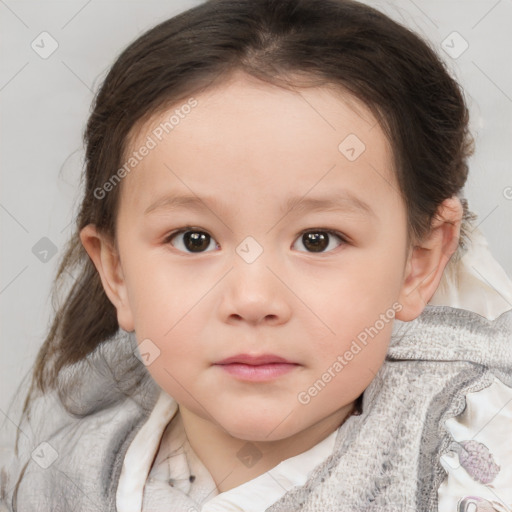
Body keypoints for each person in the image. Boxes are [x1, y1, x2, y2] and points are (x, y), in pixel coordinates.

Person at [1, 0, 512, 510]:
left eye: (318, 240)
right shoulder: (61, 473)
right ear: (116, 270)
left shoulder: (471, 465)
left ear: (417, 263)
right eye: (193, 239)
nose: (252, 299)